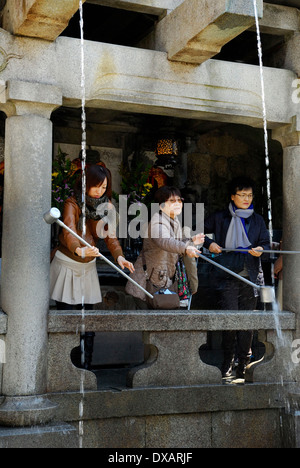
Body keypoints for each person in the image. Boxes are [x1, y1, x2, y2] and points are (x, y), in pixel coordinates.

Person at [50, 164, 134, 367]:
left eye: (104, 187)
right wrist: (79, 249)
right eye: (96, 186)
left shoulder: (108, 206)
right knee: (68, 319)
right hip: (69, 263)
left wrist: (119, 257)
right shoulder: (72, 203)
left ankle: (85, 366)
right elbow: (69, 230)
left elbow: (110, 236)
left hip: (87, 266)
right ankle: (66, 367)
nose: (100, 191)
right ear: (86, 184)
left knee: (89, 319)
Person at [204, 177, 270, 379]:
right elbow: (196, 232)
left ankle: (244, 362)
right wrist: (209, 244)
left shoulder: (257, 220)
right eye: (242, 195)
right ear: (232, 196)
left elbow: (266, 244)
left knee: (247, 323)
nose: (246, 199)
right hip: (227, 276)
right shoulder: (220, 217)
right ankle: (227, 361)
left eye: (249, 195)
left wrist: (260, 250)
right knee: (230, 321)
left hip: (251, 277)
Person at [125, 186, 204, 309]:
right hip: (145, 284)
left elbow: (176, 242)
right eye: (172, 201)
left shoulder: (174, 221)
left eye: (179, 200)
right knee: (151, 322)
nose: (178, 204)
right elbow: (165, 241)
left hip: (159, 280)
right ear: (161, 206)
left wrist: (191, 241)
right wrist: (185, 248)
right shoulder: (157, 222)